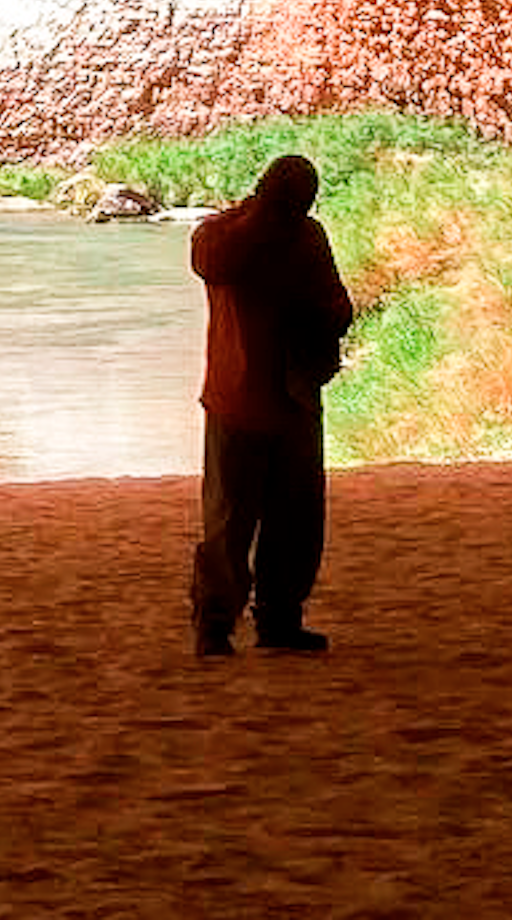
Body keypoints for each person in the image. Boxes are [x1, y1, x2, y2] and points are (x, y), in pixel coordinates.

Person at [188, 151, 354, 657]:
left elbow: (336, 306)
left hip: (265, 397)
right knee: (252, 523)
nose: (298, 208)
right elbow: (336, 310)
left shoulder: (280, 236)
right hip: (262, 398)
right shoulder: (235, 236)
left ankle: (249, 623)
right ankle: (241, 623)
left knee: (269, 521)